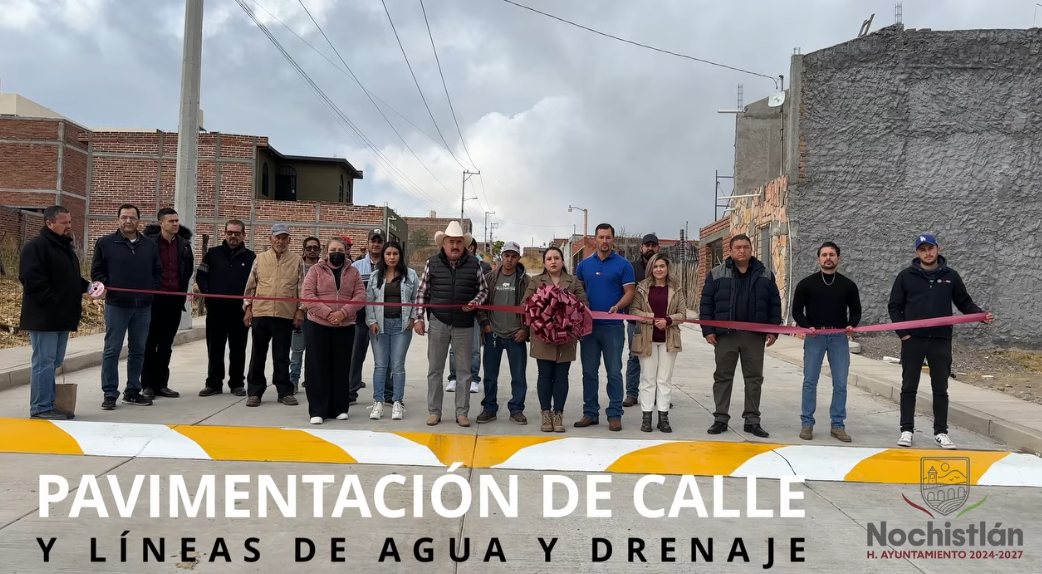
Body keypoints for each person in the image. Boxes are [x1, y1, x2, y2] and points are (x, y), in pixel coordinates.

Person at [888, 233, 994, 450]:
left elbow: (964, 302)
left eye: (931, 248)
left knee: (940, 388)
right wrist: (903, 333)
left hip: (940, 340)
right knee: (909, 386)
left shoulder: (951, 276)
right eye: (923, 249)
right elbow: (894, 306)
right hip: (913, 340)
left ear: (938, 249)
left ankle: (941, 432)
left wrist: (980, 316)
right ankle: (907, 430)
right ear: (917, 253)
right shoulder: (906, 276)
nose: (928, 253)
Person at [19, 205, 102, 419]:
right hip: (45, 317)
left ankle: (48, 402)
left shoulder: (64, 247)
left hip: (63, 317)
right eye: (64, 222)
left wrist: (87, 286)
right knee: (44, 361)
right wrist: (54, 304)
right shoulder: (36, 247)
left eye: (70, 222)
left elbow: (69, 280)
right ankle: (41, 407)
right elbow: (33, 283)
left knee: (53, 362)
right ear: (49, 223)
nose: (68, 226)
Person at [699, 234, 781, 438]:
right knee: (723, 377)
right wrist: (708, 330)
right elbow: (706, 303)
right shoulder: (717, 274)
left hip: (754, 336)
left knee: (754, 378)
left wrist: (773, 330)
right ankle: (720, 418)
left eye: (746, 247)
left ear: (751, 249)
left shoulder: (765, 274)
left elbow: (774, 304)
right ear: (731, 250)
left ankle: (752, 420)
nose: (742, 251)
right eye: (738, 247)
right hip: (726, 336)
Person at [413, 221, 489, 427]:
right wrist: (419, 319)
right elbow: (422, 292)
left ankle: (462, 412)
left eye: (458, 242)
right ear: (443, 243)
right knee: (435, 370)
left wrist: (474, 304)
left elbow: (483, 290)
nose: (454, 246)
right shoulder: (432, 262)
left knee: (464, 371)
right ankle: (434, 411)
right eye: (450, 242)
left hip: (464, 324)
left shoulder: (475, 264)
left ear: (464, 244)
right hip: (438, 321)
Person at [91, 203, 161, 409]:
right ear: (118, 219)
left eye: (132, 217)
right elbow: (97, 272)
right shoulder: (105, 243)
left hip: (143, 307)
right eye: (124, 217)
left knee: (138, 350)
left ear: (139, 220)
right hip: (117, 305)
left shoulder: (149, 245)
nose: (128, 221)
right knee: (112, 349)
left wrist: (151, 288)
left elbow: (158, 272)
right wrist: (110, 287)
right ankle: (110, 393)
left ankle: (133, 391)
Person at [791, 241, 862, 442]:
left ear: (838, 258)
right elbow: (797, 310)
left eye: (832, 254)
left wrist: (851, 325)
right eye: (824, 254)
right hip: (815, 337)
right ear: (818, 258)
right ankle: (807, 423)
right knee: (810, 381)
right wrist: (806, 326)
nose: (828, 258)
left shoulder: (848, 285)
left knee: (840, 383)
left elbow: (856, 311)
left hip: (839, 338)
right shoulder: (806, 284)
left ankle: (838, 425)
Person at [573, 223, 635, 431]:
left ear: (613, 239)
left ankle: (615, 414)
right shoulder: (584, 265)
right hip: (588, 329)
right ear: (595, 239)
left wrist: (618, 306)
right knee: (589, 372)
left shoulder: (624, 265)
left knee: (614, 372)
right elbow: (577, 292)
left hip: (613, 328)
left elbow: (629, 292)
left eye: (608, 237)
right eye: (601, 237)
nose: (605, 241)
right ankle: (590, 412)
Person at [300, 238, 366, 424]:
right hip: (318, 325)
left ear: (346, 252)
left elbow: (361, 295)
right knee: (317, 368)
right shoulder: (315, 271)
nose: (337, 252)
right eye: (333, 249)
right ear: (326, 252)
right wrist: (329, 314)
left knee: (341, 367)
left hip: (345, 326)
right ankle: (317, 411)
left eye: (340, 249)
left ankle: (339, 408)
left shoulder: (353, 272)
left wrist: (343, 313)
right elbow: (307, 295)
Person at [524, 246, 589, 432]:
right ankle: (546, 414)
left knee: (562, 377)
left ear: (562, 261)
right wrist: (542, 306)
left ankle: (558, 414)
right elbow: (525, 304)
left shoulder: (573, 281)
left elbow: (584, 304)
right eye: (549, 258)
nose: (553, 261)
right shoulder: (536, 281)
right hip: (542, 336)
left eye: (556, 258)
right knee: (544, 376)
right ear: (544, 263)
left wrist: (568, 306)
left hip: (565, 338)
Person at [243, 223, 306, 407]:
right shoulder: (260, 259)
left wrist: (301, 310)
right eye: (277, 237)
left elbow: (301, 287)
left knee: (282, 356)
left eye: (284, 238)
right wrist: (248, 308)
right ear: (270, 238)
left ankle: (284, 392)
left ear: (289, 240)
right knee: (258, 355)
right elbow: (250, 287)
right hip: (261, 313)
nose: (281, 241)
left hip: (285, 315)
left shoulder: (297, 261)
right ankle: (254, 393)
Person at [196, 219, 255, 397]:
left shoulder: (251, 257)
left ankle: (237, 383)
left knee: (238, 349)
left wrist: (250, 307)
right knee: (214, 349)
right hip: (216, 311)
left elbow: (255, 283)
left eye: (237, 233)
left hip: (239, 312)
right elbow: (201, 275)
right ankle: (213, 383)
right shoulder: (212, 254)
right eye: (230, 232)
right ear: (224, 233)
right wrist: (208, 292)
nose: (233, 236)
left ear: (244, 235)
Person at [629, 254, 687, 433]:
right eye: (656, 266)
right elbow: (634, 310)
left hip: (668, 340)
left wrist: (668, 320)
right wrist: (652, 318)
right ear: (651, 269)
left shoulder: (676, 288)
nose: (659, 269)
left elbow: (683, 313)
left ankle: (663, 417)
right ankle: (646, 418)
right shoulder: (642, 288)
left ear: (667, 268)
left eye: (662, 266)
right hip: (647, 339)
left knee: (664, 379)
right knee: (648, 379)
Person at [475, 241, 531, 425]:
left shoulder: (525, 280)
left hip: (516, 335)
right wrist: (485, 325)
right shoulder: (490, 278)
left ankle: (516, 409)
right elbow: (481, 303)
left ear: (518, 258)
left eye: (513, 256)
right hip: (494, 334)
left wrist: (525, 329)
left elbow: (532, 308)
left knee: (519, 376)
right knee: (490, 375)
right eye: (506, 255)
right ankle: (489, 408)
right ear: (502, 257)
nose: (509, 259)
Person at [141, 207, 194, 400]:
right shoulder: (148, 244)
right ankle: (146, 384)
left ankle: (161, 384)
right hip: (154, 300)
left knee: (166, 344)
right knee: (149, 343)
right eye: (171, 221)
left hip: (174, 300)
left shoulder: (184, 245)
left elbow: (187, 271)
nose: (175, 224)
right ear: (161, 223)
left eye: (177, 221)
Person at [366, 240, 419, 420]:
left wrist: (413, 318)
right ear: (383, 256)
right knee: (380, 365)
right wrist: (372, 321)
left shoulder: (410, 275)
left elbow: (416, 298)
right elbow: (369, 301)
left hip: (401, 325)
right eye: (388, 254)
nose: (391, 257)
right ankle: (378, 402)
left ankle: (397, 402)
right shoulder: (375, 276)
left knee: (397, 366)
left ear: (400, 256)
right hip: (379, 325)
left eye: (395, 254)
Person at [446, 238, 492, 393]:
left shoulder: (483, 266)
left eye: (463, 246)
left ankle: (474, 379)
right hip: (456, 313)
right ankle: (453, 377)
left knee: (474, 348)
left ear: (471, 248)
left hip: (475, 313)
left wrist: (474, 303)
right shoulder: (454, 264)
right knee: (454, 348)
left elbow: (484, 290)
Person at [350, 228, 386, 403]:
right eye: (374, 241)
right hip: (359, 320)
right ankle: (350, 392)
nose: (376, 244)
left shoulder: (390, 266)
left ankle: (388, 393)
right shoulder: (356, 267)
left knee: (385, 359)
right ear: (368, 243)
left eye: (379, 241)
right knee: (355, 356)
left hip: (383, 320)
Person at [624, 233, 660, 407]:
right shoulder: (632, 268)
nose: (650, 248)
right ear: (641, 248)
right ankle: (632, 393)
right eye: (647, 245)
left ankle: (655, 394)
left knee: (657, 358)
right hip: (635, 321)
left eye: (653, 245)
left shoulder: (663, 267)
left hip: (659, 321)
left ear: (658, 248)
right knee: (634, 357)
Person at [290, 236, 321, 394]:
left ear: (320, 250)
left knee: (314, 352)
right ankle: (293, 380)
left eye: (315, 248)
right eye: (309, 247)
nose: (312, 250)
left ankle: (311, 381)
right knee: (297, 350)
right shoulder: (296, 266)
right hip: (299, 315)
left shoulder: (324, 268)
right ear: (304, 249)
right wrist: (299, 310)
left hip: (318, 316)